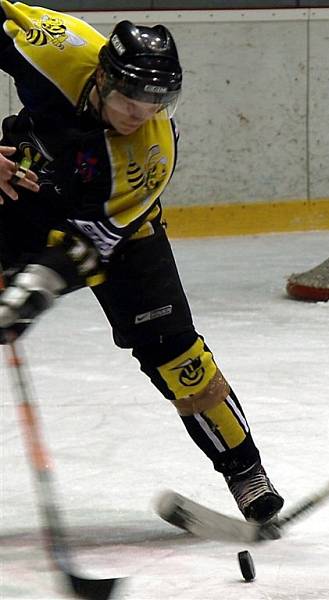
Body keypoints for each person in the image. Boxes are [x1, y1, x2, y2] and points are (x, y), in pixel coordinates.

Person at [0, 2, 283, 525]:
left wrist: (28, 294)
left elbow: (83, 248)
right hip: (25, 187)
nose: (141, 113)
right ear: (104, 76)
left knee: (176, 355)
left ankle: (245, 470)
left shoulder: (151, 153)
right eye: (131, 97)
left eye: (157, 101)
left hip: (120, 234)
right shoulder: (55, 49)